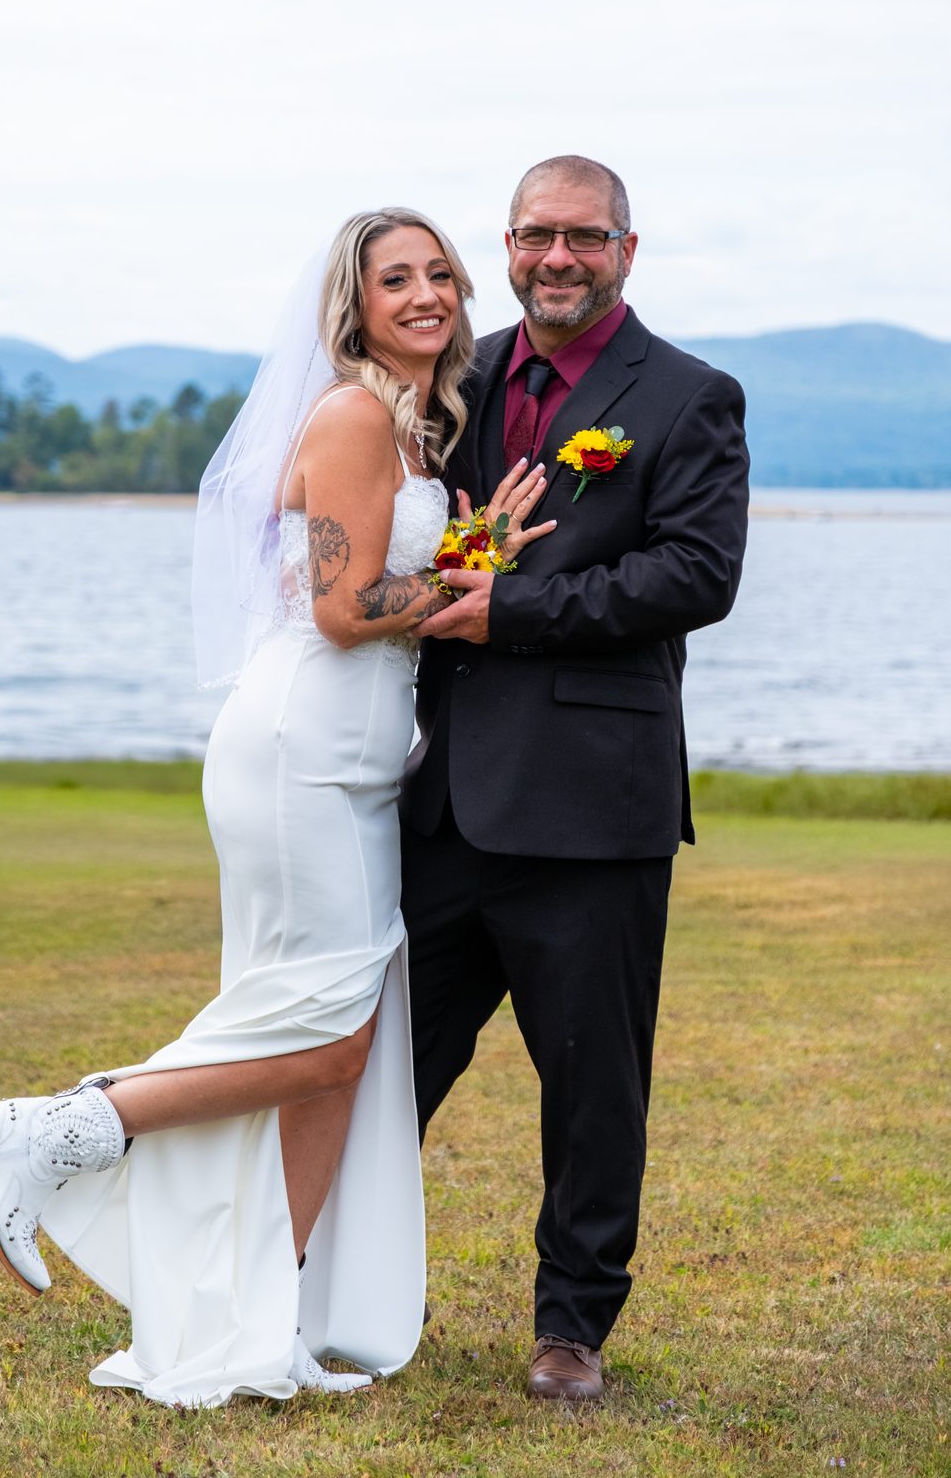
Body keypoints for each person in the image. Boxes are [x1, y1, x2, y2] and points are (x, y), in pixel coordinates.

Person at [0, 207, 549, 1406]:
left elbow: (386, 582)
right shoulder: (348, 412)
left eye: (441, 272)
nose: (428, 293)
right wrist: (473, 579)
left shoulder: (407, 426)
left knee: (334, 1053)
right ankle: (60, 1125)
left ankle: (261, 1319)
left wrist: (468, 550)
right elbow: (341, 611)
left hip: (355, 758)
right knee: (323, 1030)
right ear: (356, 304)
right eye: (398, 279)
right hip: (301, 751)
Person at [401, 155, 750, 1402]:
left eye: (584, 239)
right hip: (438, 798)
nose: (559, 257)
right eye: (537, 236)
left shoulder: (691, 396)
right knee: (389, 1061)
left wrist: (514, 610)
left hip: (593, 803)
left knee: (594, 1083)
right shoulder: (458, 378)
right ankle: (342, 1286)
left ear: (626, 251)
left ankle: (570, 1328)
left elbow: (693, 576)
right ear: (505, 245)